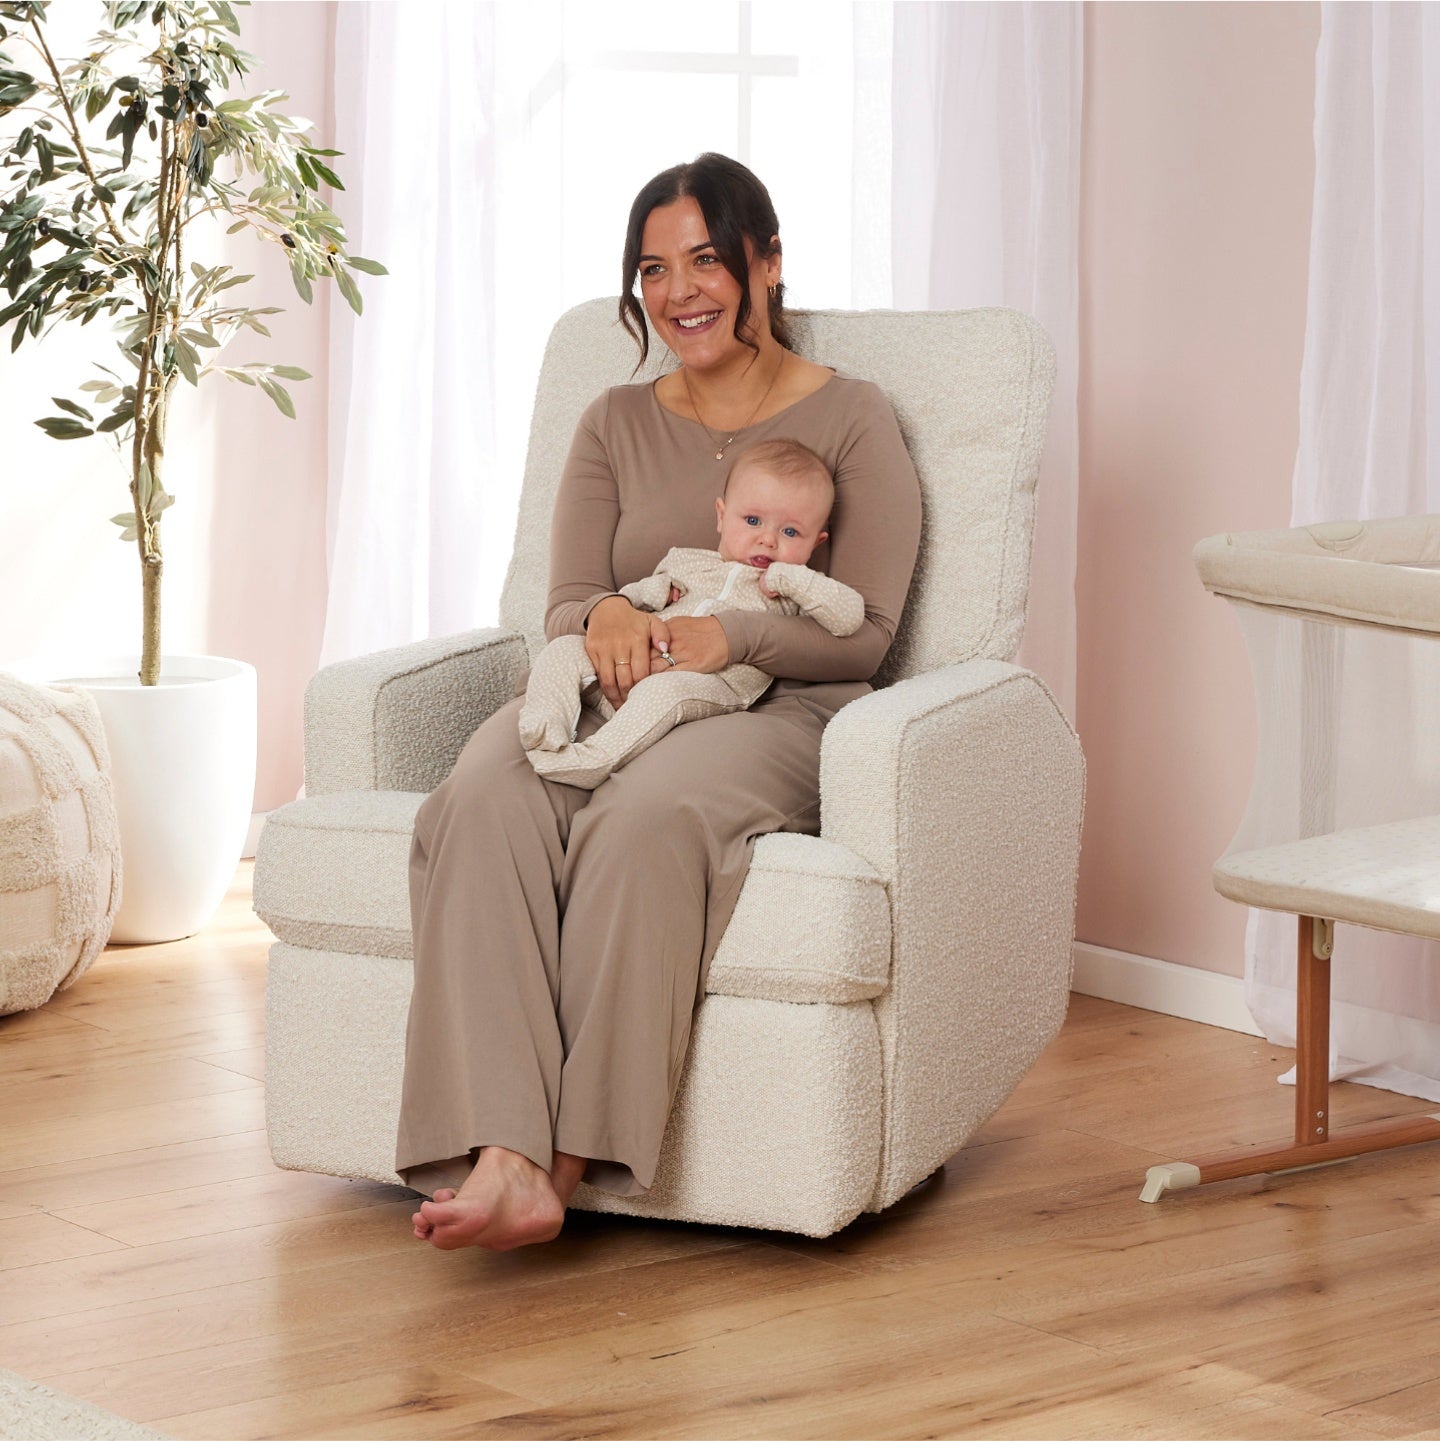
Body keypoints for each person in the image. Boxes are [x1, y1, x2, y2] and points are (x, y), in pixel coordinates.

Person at [401, 151, 922, 1251]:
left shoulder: (857, 419)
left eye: (704, 260)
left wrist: (725, 633)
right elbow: (570, 597)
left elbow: (867, 632)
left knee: (642, 819)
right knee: (479, 795)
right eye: (652, 268)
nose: (678, 291)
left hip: (771, 706)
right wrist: (603, 623)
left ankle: (573, 1154)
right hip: (607, 694)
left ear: (766, 265)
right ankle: (502, 1149)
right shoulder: (610, 420)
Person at [518, 439, 865, 790]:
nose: (768, 540)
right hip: (629, 667)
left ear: (816, 543)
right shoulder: (685, 561)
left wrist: (794, 577)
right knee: (564, 649)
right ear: (721, 515)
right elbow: (628, 606)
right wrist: (645, 594)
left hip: (710, 684)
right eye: (752, 520)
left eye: (790, 532)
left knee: (667, 693)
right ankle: (546, 726)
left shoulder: (791, 594)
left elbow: (850, 618)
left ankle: (595, 759)